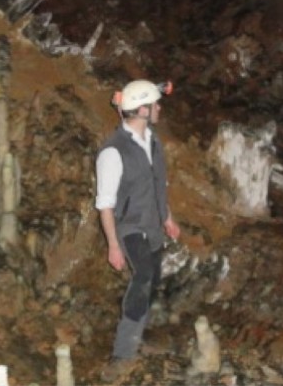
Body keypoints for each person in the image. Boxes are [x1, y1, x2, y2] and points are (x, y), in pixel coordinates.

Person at [95, 79, 181, 381]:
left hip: (153, 224)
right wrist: (113, 245)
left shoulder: (153, 142)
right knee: (143, 277)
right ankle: (122, 352)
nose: (159, 108)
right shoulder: (113, 152)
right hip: (129, 227)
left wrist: (167, 217)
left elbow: (157, 185)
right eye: (155, 104)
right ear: (143, 110)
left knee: (154, 278)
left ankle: (139, 334)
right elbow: (105, 204)